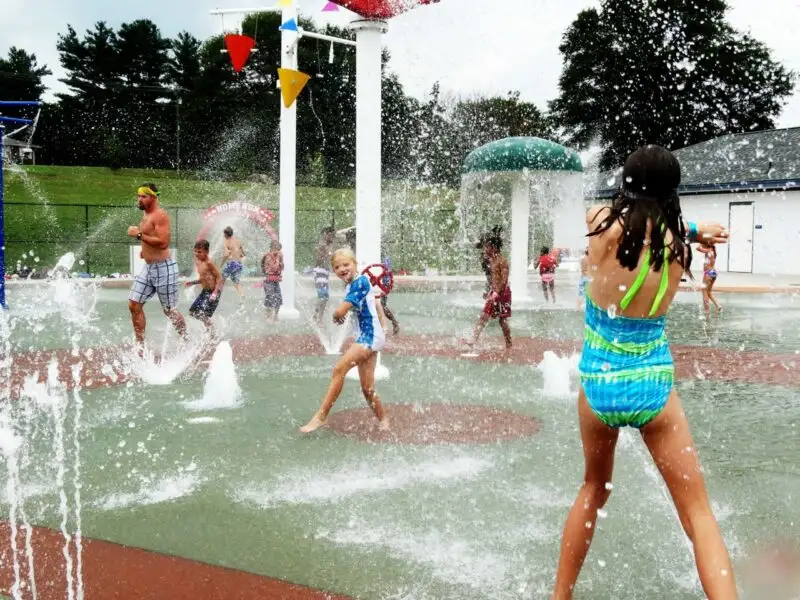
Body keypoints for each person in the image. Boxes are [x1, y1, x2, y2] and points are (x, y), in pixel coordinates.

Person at [551, 145, 735, 600]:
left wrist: (687, 227)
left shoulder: (602, 225)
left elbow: (615, 216)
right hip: (654, 387)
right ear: (672, 191)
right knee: (698, 514)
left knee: (593, 488)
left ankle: (559, 598)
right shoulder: (677, 245)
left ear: (625, 184)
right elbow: (665, 225)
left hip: (599, 385)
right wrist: (692, 228)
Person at [300, 247, 389, 433]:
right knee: (367, 388)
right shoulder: (352, 285)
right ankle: (384, 419)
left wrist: (337, 314)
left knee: (339, 369)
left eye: (346, 264)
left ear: (355, 264)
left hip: (370, 337)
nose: (342, 269)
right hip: (370, 336)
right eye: (337, 267)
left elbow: (341, 311)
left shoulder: (360, 282)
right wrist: (341, 313)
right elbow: (365, 305)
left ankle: (321, 416)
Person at [127, 183, 187, 347]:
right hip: (149, 268)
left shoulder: (159, 215)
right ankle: (140, 347)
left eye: (143, 196)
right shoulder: (146, 215)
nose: (139, 199)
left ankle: (186, 339)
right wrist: (144, 251)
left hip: (164, 267)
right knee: (134, 304)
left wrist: (138, 235)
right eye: (138, 196)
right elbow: (151, 239)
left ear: (153, 197)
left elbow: (163, 243)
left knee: (169, 311)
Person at [464, 232, 512, 350]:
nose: (485, 249)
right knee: (485, 316)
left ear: (494, 248)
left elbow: (504, 280)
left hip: (503, 294)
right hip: (494, 292)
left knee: (502, 321)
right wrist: (490, 291)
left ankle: (509, 344)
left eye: (487, 246)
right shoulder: (492, 261)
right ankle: (473, 339)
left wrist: (496, 293)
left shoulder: (502, 261)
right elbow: (493, 279)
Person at [185, 239, 223, 334]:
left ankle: (211, 331)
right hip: (205, 292)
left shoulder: (209, 263)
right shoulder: (198, 262)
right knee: (193, 312)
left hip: (213, 292)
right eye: (195, 251)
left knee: (203, 314)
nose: (196, 254)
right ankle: (211, 329)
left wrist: (214, 293)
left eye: (199, 252)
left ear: (207, 252)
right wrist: (192, 282)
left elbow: (219, 277)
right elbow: (204, 278)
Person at [312, 227, 336, 325]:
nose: (333, 237)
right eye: (331, 235)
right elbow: (324, 257)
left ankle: (318, 318)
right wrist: (330, 253)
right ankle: (315, 317)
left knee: (325, 297)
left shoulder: (327, 244)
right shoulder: (322, 245)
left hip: (324, 271)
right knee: (323, 295)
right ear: (325, 234)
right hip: (319, 271)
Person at [220, 226, 245, 301]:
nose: (223, 235)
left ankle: (217, 294)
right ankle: (242, 295)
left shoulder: (226, 242)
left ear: (226, 234)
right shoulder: (238, 241)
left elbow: (226, 255)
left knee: (221, 279)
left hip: (232, 263)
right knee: (236, 282)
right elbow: (243, 254)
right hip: (239, 264)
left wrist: (221, 265)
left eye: (224, 234)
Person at [261, 240, 284, 322]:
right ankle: (268, 316)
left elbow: (282, 268)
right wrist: (278, 259)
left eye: (280, 250)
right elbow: (273, 268)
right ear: (273, 248)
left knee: (278, 298)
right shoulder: (268, 257)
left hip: (275, 281)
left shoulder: (278, 257)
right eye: (278, 249)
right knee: (270, 298)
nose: (279, 252)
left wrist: (280, 261)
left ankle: (276, 316)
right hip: (269, 281)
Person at [697, 242, 722, 313]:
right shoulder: (713, 250)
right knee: (709, 292)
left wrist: (702, 242)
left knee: (704, 291)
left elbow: (697, 248)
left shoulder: (708, 251)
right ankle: (718, 305)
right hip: (714, 272)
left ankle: (707, 311)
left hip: (708, 273)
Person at [380, 257, 400, 335]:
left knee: (382, 306)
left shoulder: (384, 260)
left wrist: (386, 285)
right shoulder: (385, 259)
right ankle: (394, 323)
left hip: (382, 286)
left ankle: (394, 323)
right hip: (382, 285)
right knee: (382, 306)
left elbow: (387, 274)